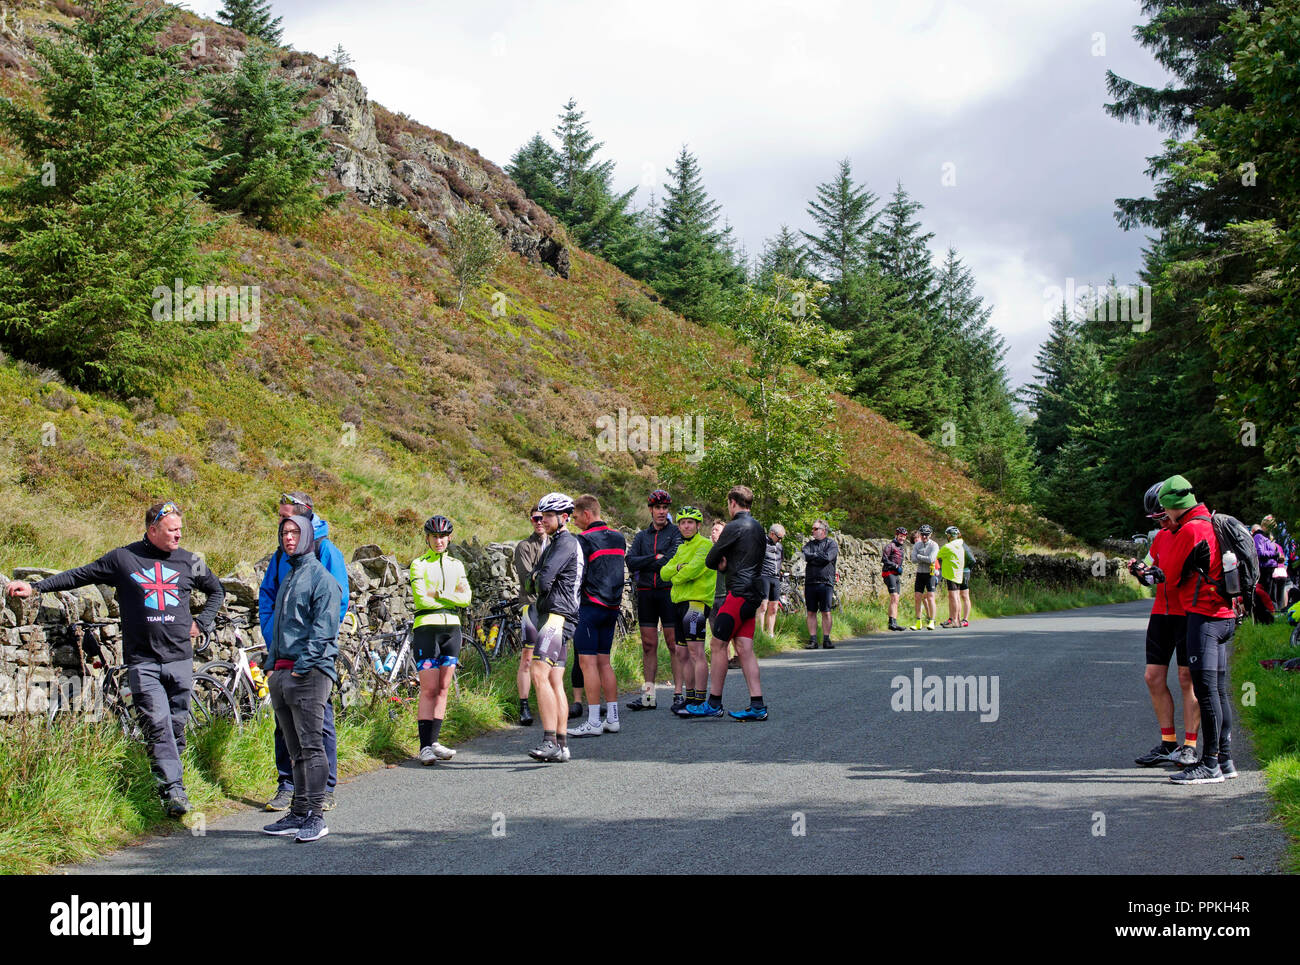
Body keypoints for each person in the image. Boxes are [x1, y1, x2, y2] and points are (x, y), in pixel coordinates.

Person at [7, 500, 224, 817]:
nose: (178, 535)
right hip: (144, 661)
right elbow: (80, 575)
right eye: (171, 530)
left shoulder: (190, 562)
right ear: (152, 530)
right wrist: (35, 586)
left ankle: (170, 779)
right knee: (159, 724)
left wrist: (201, 622)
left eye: (180, 529)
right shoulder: (123, 559)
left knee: (177, 727)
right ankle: (174, 793)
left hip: (179, 658)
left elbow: (216, 590)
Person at [259, 491, 349, 813]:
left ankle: (323, 791)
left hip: (311, 660)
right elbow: (268, 594)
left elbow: (334, 603)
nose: (283, 527)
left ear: (305, 517)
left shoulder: (326, 550)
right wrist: (273, 635)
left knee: (318, 723)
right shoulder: (280, 555)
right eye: (282, 522)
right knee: (284, 727)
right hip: (282, 656)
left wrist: (310, 648)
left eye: (288, 519)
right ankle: (288, 787)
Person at [1157, 475, 1238, 785]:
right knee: (1218, 690)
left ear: (1175, 506)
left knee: (1205, 693)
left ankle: (1210, 764)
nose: (1165, 515)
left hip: (1203, 616)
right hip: (1225, 615)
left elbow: (1170, 575)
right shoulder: (1211, 521)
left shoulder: (1191, 529)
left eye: (1166, 509)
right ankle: (1226, 761)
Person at [1128, 481, 1201, 769]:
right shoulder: (1159, 538)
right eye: (1155, 520)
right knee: (1153, 677)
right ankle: (1168, 743)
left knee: (1187, 678)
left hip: (1187, 612)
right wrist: (1139, 572)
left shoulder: (1190, 533)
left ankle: (1191, 745)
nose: (1160, 523)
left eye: (1162, 517)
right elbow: (1149, 575)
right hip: (1161, 612)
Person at [687, 485, 768, 720]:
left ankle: (713, 703)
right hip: (753, 594)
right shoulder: (759, 528)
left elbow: (712, 559)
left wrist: (723, 563)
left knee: (717, 644)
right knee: (744, 649)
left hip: (738, 593)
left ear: (733, 502)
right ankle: (757, 705)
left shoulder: (734, 526)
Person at [409, 515, 472, 764]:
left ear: (449, 538)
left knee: (444, 688)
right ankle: (424, 746)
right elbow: (422, 599)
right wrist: (451, 595)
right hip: (426, 628)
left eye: (443, 536)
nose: (439, 541)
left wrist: (441, 593)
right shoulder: (419, 564)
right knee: (429, 689)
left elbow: (466, 598)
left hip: (452, 630)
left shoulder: (457, 565)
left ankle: (434, 741)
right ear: (427, 538)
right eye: (434, 536)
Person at [526, 492, 582, 762]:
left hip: (556, 616)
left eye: (548, 516)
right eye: (541, 515)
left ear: (564, 517)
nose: (543, 519)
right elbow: (530, 580)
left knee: (537, 673)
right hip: (561, 616)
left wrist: (537, 577)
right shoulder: (555, 542)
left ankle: (549, 741)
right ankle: (561, 744)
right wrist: (535, 577)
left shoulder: (565, 543)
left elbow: (542, 580)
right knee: (554, 679)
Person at [566, 495, 626, 738]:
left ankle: (592, 721)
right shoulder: (619, 538)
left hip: (590, 606)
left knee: (587, 663)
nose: (575, 522)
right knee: (605, 663)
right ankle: (612, 718)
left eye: (576, 517)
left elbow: (578, 575)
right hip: (612, 607)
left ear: (588, 514)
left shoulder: (584, 540)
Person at [624, 489, 682, 711]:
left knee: (673, 643)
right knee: (648, 645)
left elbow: (668, 561)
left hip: (668, 591)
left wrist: (652, 561)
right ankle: (648, 697)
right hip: (646, 592)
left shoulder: (676, 533)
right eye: (657, 508)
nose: (661, 511)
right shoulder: (641, 536)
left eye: (665, 508)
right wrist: (653, 558)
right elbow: (631, 562)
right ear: (650, 510)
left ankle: (678, 694)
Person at [659, 506, 716, 715]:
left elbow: (693, 570)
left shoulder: (706, 545)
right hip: (679, 603)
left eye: (690, 522)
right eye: (682, 522)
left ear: (698, 525)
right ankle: (690, 696)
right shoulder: (681, 548)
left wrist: (677, 573)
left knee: (695, 652)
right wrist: (677, 569)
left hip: (696, 603)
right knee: (681, 653)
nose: (686, 525)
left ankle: (701, 700)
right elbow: (664, 572)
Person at [512, 505, 546, 726]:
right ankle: (524, 705)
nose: (539, 522)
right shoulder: (524, 546)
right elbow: (527, 578)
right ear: (531, 520)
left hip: (554, 607)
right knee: (528, 657)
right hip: (531, 605)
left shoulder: (559, 543)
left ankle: (548, 702)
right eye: (535, 518)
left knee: (549, 658)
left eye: (543, 518)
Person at [802, 520, 839, 649]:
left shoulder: (832, 544)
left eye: (815, 528)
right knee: (811, 612)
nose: (812, 530)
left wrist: (814, 557)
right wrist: (818, 557)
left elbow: (828, 558)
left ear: (823, 531)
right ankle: (812, 640)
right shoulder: (809, 544)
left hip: (826, 582)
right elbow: (805, 555)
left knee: (826, 612)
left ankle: (826, 639)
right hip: (810, 582)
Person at [710, 518, 739, 669]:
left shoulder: (731, 551)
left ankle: (738, 656)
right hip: (711, 596)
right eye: (712, 530)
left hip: (726, 595)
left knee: (730, 629)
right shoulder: (707, 550)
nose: (713, 533)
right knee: (716, 631)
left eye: (717, 530)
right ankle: (725, 659)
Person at [758, 524, 785, 637]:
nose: (780, 540)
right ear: (772, 534)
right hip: (763, 576)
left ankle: (770, 634)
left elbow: (781, 560)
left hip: (775, 578)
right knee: (763, 606)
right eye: (779, 537)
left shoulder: (779, 546)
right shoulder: (761, 543)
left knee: (774, 607)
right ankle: (760, 634)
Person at [910, 525, 939, 630]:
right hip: (920, 573)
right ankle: (918, 622)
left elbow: (931, 559)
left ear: (930, 535)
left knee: (931, 597)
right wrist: (922, 558)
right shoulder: (917, 545)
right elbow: (913, 559)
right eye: (922, 534)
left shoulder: (934, 545)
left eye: (926, 534)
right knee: (917, 597)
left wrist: (919, 556)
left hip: (930, 574)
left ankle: (931, 621)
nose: (924, 536)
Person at [937, 526, 965, 628]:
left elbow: (937, 555)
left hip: (950, 574)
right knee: (957, 598)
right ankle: (957, 620)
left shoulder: (948, 547)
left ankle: (954, 621)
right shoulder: (960, 546)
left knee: (953, 598)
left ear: (949, 536)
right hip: (958, 574)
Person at [882, 527, 907, 631]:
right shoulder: (890, 546)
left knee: (896, 599)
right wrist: (896, 566)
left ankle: (893, 622)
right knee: (894, 597)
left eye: (904, 537)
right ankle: (891, 623)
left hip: (896, 575)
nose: (902, 538)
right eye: (901, 536)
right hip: (888, 573)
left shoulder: (901, 548)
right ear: (896, 535)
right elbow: (884, 559)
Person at [960, 542, 975, 626]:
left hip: (964, 572)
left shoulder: (963, 546)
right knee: (955, 595)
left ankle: (965, 619)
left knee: (964, 595)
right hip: (956, 572)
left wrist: (967, 568)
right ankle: (956, 618)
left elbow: (972, 560)